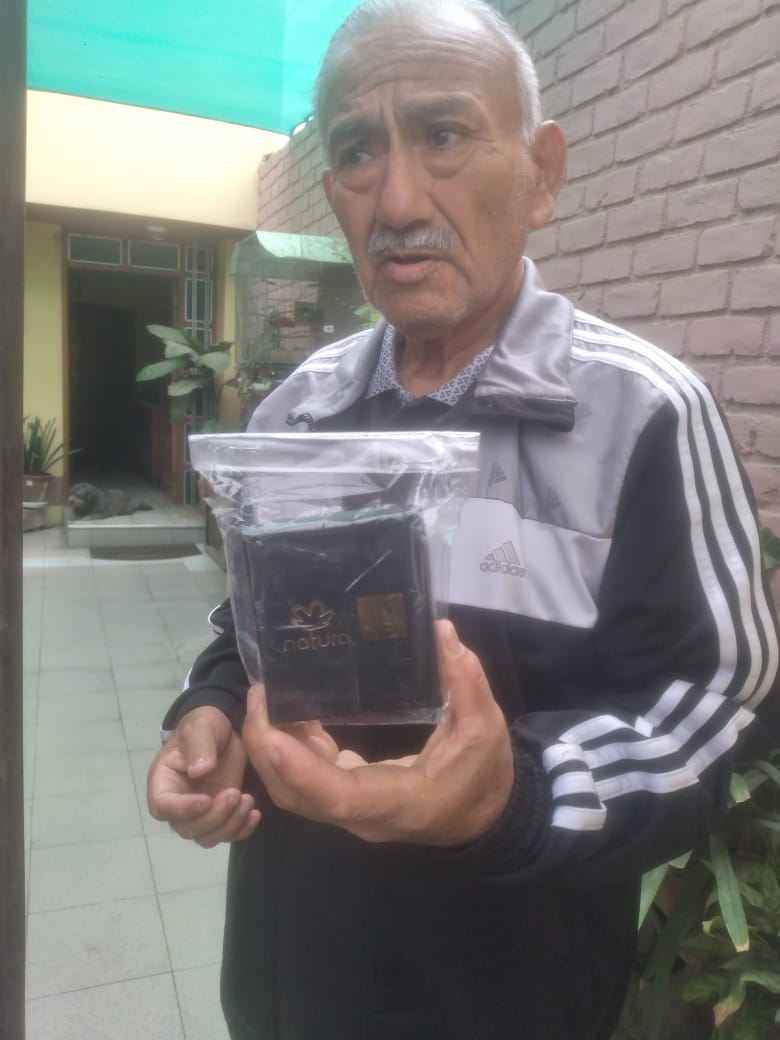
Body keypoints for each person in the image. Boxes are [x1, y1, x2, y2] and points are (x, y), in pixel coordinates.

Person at [147, 2, 780, 1037]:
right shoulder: (297, 410)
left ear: (541, 173)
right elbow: (247, 628)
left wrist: (509, 796)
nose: (399, 200)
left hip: (510, 990)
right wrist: (209, 708)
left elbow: (718, 704)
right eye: (358, 151)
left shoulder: (645, 415)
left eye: (444, 134)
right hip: (292, 971)